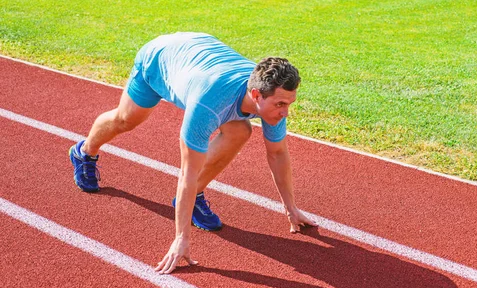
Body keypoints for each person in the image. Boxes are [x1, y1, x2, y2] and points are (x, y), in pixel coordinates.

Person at [68, 32, 317, 274]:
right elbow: (188, 172)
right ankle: (84, 152)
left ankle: (195, 197)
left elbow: (277, 153)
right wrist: (181, 238)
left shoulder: (273, 96)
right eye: (281, 105)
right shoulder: (207, 104)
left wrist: (290, 208)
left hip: (198, 55)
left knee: (240, 131)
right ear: (255, 95)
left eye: (289, 104)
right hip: (160, 60)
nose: (285, 112)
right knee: (125, 120)